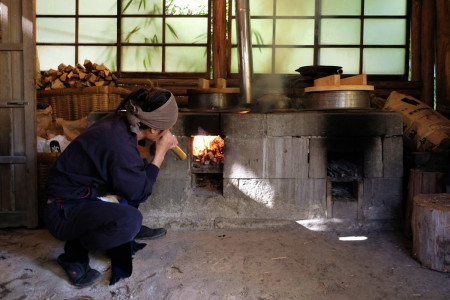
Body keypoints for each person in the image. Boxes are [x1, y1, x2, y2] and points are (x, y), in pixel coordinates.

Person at [44, 87, 179, 287]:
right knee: (130, 221)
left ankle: (111, 229)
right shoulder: (118, 143)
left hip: (85, 193)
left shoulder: (121, 120)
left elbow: (127, 157)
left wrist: (151, 150)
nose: (167, 132)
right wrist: (159, 154)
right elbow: (140, 192)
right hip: (63, 210)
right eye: (166, 129)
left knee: (135, 176)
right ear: (152, 130)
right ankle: (75, 251)